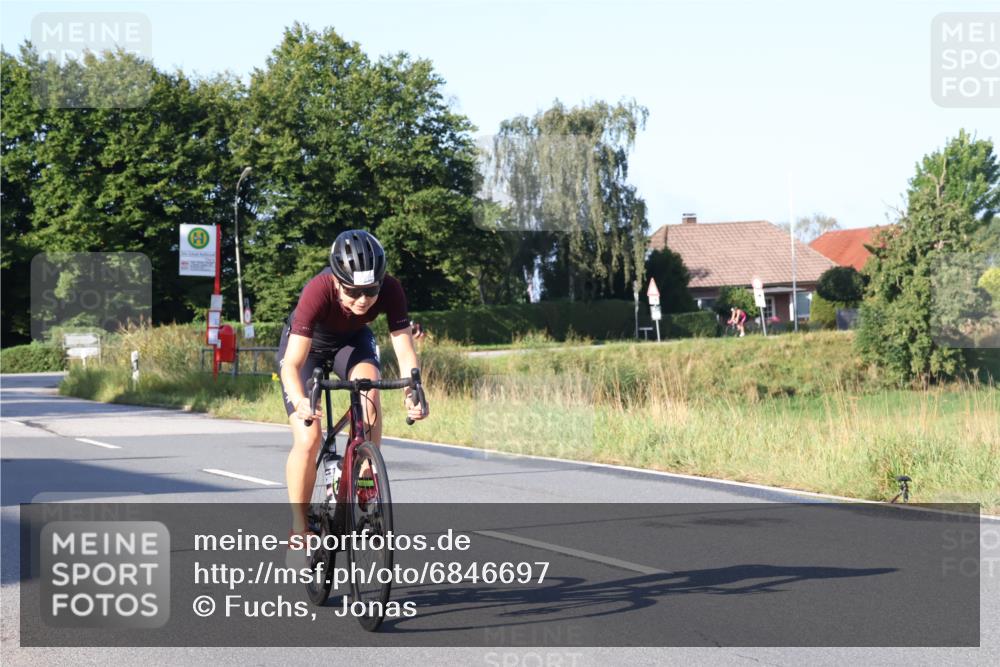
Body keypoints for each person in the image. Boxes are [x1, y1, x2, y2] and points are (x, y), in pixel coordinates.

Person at [277, 229, 427, 556]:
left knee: (369, 394)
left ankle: (363, 476)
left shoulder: (391, 289)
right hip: (308, 350)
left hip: (352, 343)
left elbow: (405, 352)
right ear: (336, 281)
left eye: (370, 291)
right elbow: (291, 365)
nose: (362, 300)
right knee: (308, 438)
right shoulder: (317, 291)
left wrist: (412, 393)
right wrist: (301, 401)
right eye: (353, 291)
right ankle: (300, 528)